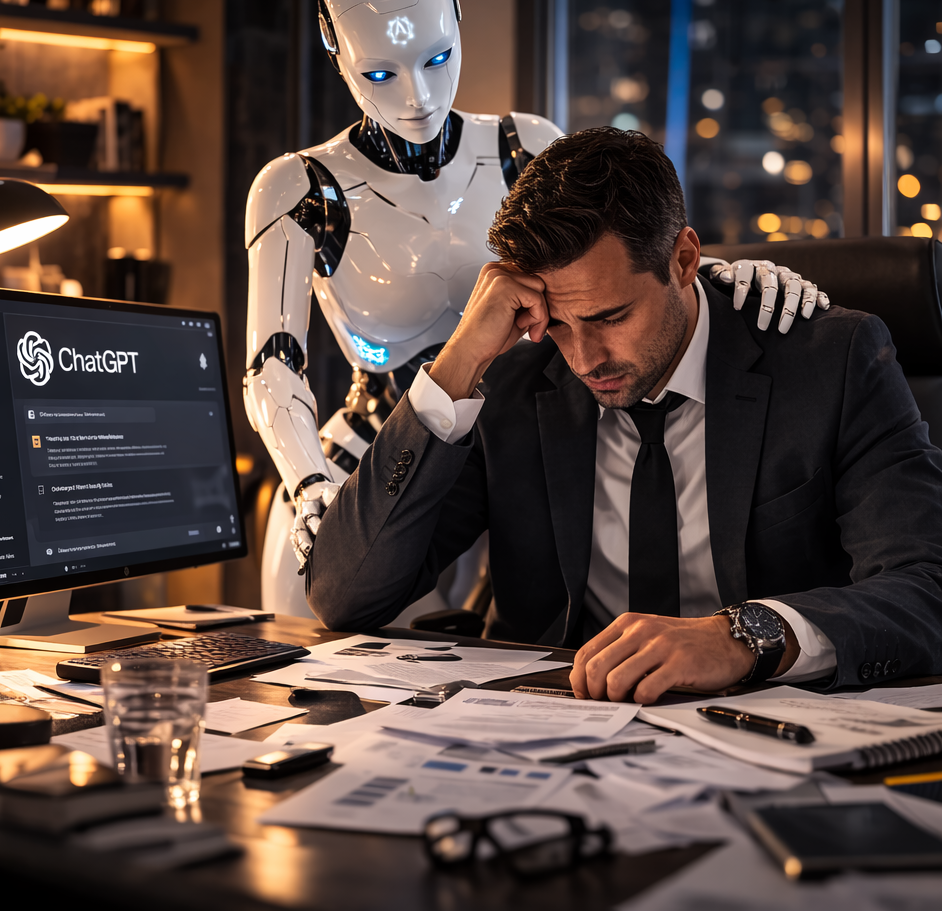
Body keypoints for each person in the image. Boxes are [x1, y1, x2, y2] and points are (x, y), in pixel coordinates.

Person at [242, 0, 827, 621]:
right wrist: (308, 479)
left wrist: (719, 283)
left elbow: (612, 248)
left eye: (437, 59)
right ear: (334, 48)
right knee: (306, 673)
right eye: (381, 74)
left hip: (520, 443)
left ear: (458, 19)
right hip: (377, 447)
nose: (418, 98)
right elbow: (271, 360)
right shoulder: (302, 187)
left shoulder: (523, 146)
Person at [306, 126, 942, 703]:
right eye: (557, 323)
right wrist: (456, 362)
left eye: (610, 318)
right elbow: (345, 593)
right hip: (543, 730)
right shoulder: (510, 377)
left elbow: (926, 586)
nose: (584, 359)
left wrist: (744, 637)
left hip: (761, 729)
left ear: (684, 261)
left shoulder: (830, 362)